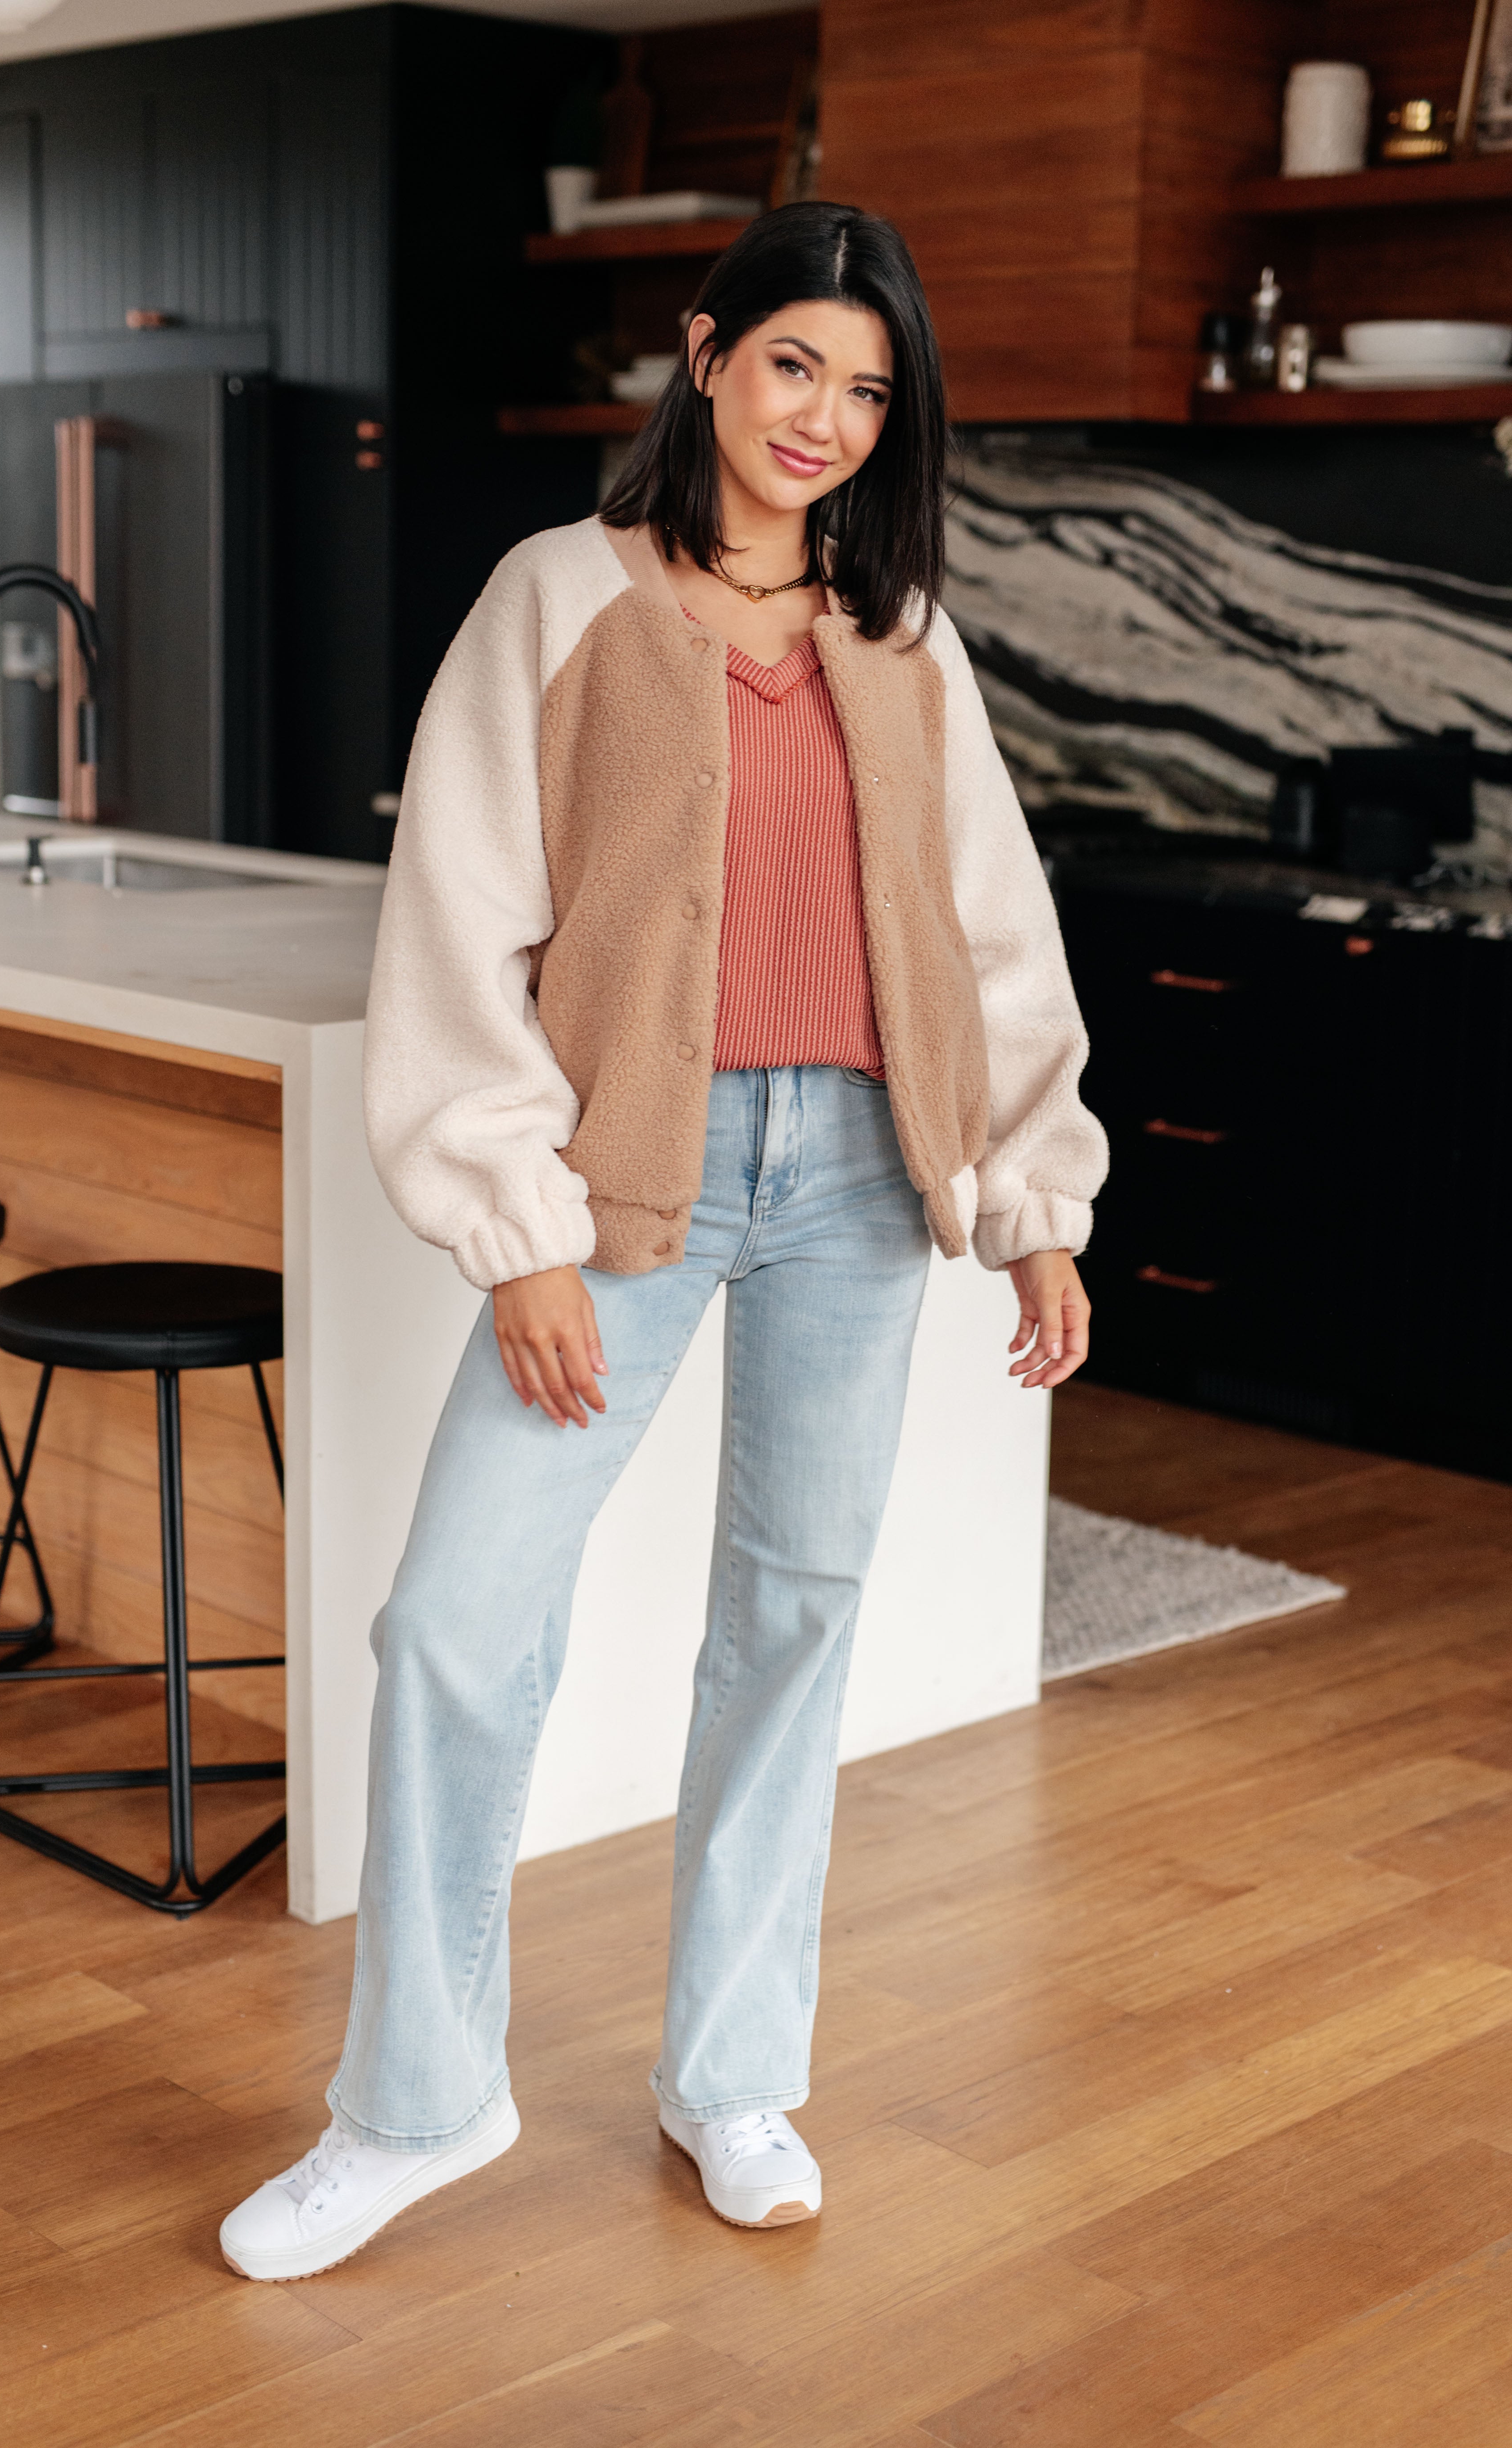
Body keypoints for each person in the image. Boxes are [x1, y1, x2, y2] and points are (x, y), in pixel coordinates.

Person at [220, 200, 1107, 2282]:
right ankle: (420, 2105)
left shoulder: (909, 647)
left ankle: (731, 2076)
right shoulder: (561, 600)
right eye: (796, 363)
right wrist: (516, 1226)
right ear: (705, 356)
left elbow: (993, 945)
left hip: (869, 1196)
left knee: (792, 1623)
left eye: (870, 390)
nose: (826, 418)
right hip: (634, 1174)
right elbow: (459, 916)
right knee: (456, 1623)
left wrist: (1037, 1207)